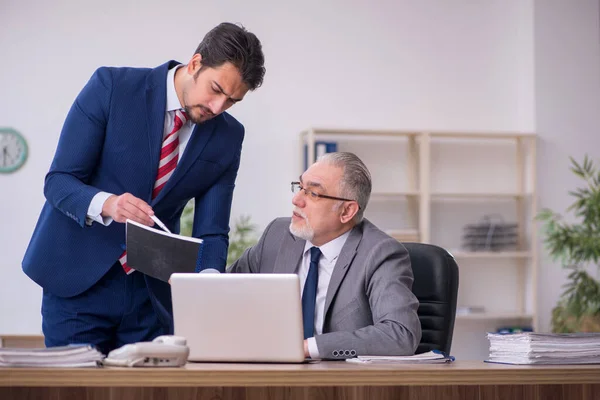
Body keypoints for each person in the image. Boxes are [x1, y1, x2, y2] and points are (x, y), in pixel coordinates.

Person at [22, 22, 266, 354]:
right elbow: (59, 181)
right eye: (215, 89)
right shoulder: (111, 87)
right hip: (77, 284)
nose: (218, 108)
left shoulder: (227, 136)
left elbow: (212, 231)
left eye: (232, 101)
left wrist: (206, 285)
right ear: (195, 63)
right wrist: (107, 204)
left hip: (151, 297)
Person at [229, 152, 421, 359]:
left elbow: (400, 335)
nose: (297, 200)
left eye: (313, 194)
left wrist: (306, 348)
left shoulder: (380, 253)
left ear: (347, 211)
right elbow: (224, 291)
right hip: (270, 372)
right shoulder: (278, 234)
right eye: (300, 187)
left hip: (342, 385)